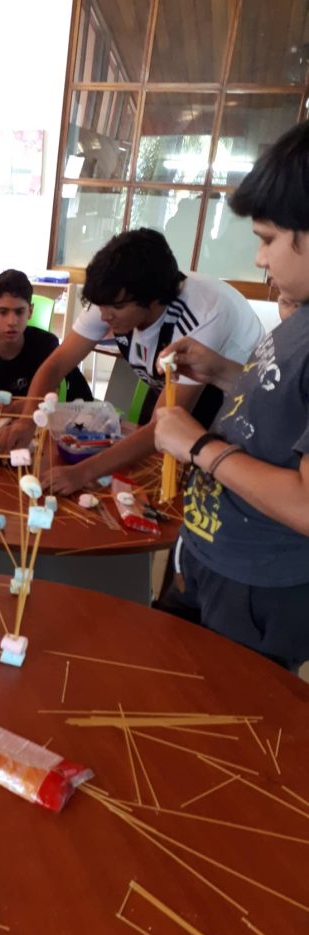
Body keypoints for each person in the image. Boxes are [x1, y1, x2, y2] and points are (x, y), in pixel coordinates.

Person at [154, 120, 309, 673]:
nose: (261, 261)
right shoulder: (302, 312)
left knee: (221, 726)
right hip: (212, 554)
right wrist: (220, 372)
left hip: (259, 587)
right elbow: (282, 410)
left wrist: (198, 448)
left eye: (268, 240)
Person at [0, 230, 264, 493]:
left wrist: (82, 472)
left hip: (232, 403)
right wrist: (26, 421)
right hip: (174, 390)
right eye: (100, 306)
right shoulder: (113, 297)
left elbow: (163, 424)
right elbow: (55, 366)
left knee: (196, 486)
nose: (104, 317)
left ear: (153, 299)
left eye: (116, 309)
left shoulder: (202, 317)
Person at [0, 269, 91, 413]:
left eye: (19, 312)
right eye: (3, 312)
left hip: (31, 425)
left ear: (30, 311)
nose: (12, 321)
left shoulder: (46, 344)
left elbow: (51, 396)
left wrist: (23, 407)